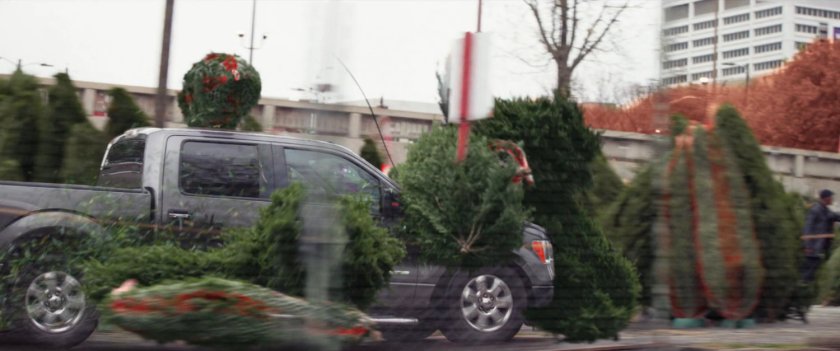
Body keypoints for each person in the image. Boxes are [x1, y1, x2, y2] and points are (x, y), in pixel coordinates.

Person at [801, 189, 840, 282]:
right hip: (814, 247)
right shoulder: (815, 210)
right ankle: (803, 289)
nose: (832, 199)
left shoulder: (826, 210)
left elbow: (835, 216)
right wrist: (808, 246)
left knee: (817, 273)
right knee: (809, 273)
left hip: (822, 247)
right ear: (826, 198)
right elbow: (807, 228)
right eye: (831, 197)